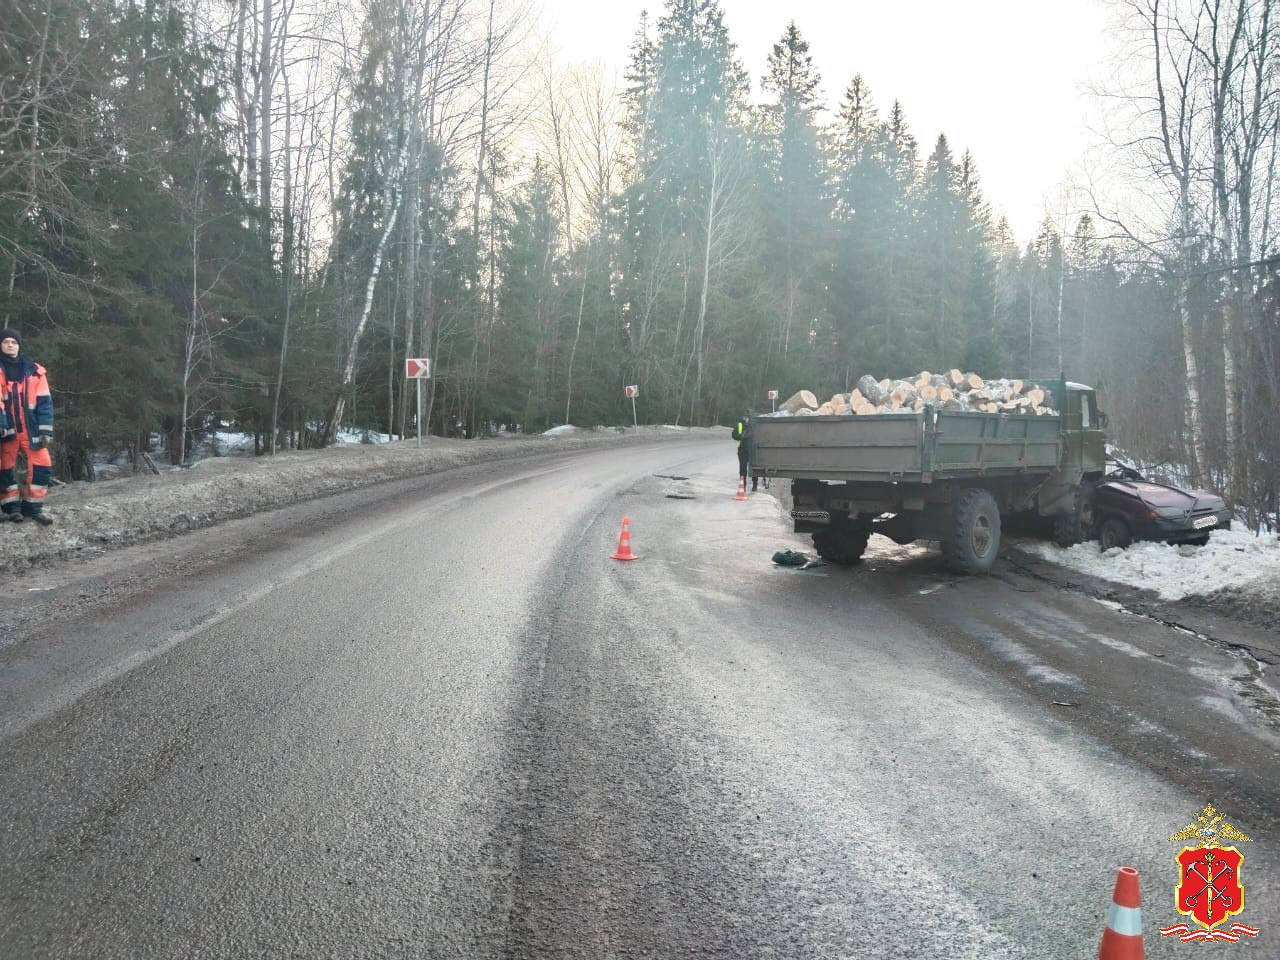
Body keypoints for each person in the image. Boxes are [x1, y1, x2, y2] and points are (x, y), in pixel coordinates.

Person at [0, 328, 54, 525]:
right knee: (4, 468)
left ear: (19, 345)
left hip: (31, 430)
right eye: (6, 342)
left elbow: (45, 402)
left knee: (42, 465)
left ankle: (33, 507)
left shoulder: (35, 371)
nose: (10, 345)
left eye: (13, 342)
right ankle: (11, 508)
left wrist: (45, 429)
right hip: (7, 430)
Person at [732, 410, 757, 492]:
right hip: (742, 449)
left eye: (748, 416)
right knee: (743, 468)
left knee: (753, 467)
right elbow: (734, 435)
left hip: (752, 449)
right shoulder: (740, 424)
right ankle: (743, 486)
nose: (746, 418)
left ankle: (755, 485)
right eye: (745, 416)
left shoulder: (755, 425)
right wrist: (741, 436)